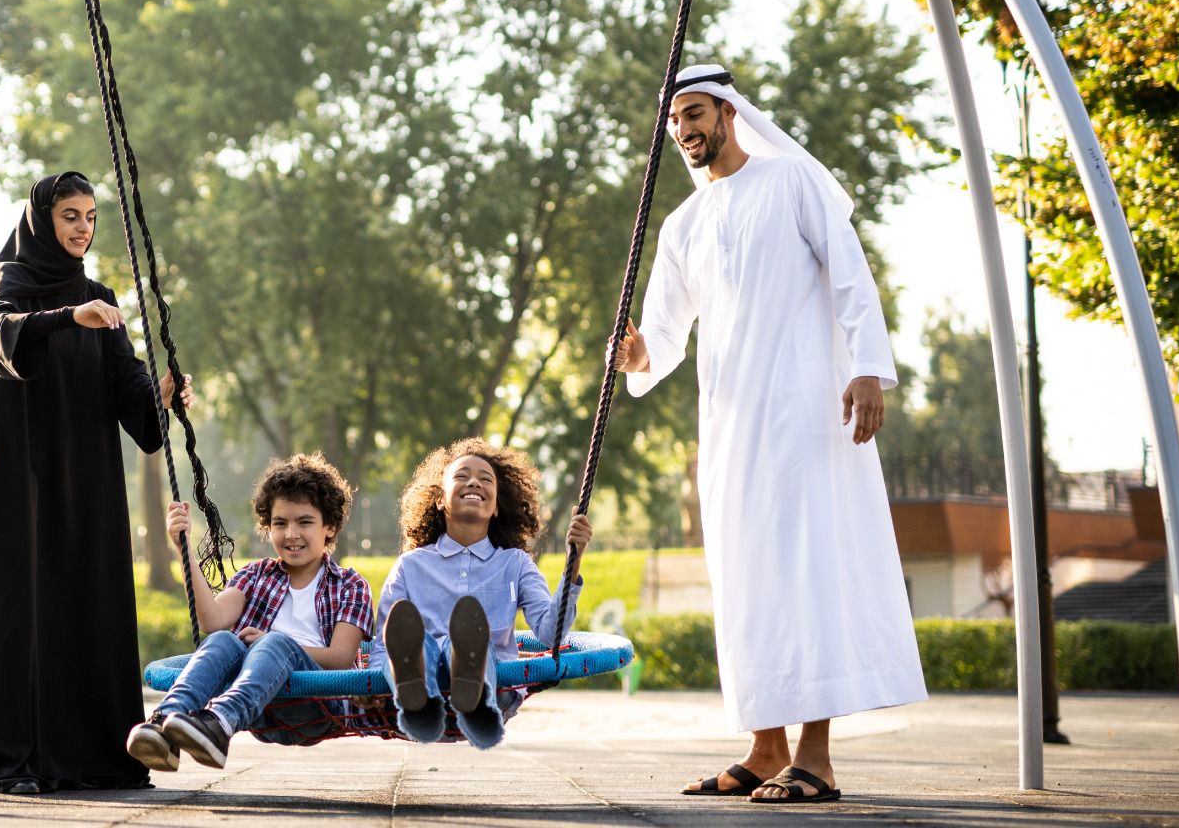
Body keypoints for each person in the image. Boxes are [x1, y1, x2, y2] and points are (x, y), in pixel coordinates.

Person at [611, 64, 926, 805]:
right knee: (747, 581)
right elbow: (662, 334)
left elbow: (852, 276)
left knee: (803, 573)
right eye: (674, 121)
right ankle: (763, 747)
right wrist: (635, 356)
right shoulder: (684, 224)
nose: (684, 130)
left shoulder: (792, 182)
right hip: (729, 428)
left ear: (727, 112)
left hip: (803, 418)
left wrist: (869, 369)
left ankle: (815, 758)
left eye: (694, 114)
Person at [0, 171, 192, 795]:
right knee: (20, 606)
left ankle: (97, 755)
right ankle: (12, 763)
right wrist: (68, 316)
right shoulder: (10, 282)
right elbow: (1, 337)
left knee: (90, 596)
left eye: (90, 217)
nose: (82, 228)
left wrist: (163, 397)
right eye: (70, 216)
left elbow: (130, 396)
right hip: (18, 472)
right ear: (43, 219)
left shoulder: (104, 294)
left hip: (86, 473)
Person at [127, 453, 374, 770]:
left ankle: (219, 723)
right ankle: (164, 726)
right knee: (222, 641)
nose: (291, 534)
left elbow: (341, 658)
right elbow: (212, 621)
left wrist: (269, 640)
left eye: (305, 522)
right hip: (261, 708)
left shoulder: (350, 585)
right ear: (268, 527)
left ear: (329, 526)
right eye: (280, 523)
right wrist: (183, 548)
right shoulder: (255, 575)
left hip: (317, 705)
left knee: (274, 642)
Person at [371, 437, 590, 749]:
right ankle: (420, 701)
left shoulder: (514, 563)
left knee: (472, 640)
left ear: (497, 506)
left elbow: (549, 633)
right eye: (461, 476)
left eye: (486, 479)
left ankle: (476, 697)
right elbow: (384, 645)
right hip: (425, 670)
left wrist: (574, 559)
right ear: (439, 500)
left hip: (495, 682)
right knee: (418, 643)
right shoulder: (411, 566)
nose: (474, 481)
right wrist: (372, 684)